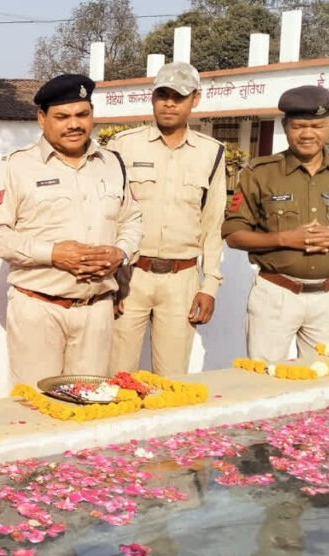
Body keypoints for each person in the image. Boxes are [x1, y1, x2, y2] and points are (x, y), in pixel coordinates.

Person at [0, 74, 143, 388]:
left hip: (96, 311)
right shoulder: (17, 166)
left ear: (93, 114)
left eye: (82, 114)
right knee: (36, 407)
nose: (74, 124)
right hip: (39, 309)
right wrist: (54, 254)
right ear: (42, 119)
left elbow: (132, 220)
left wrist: (120, 253)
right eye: (62, 116)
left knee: (91, 405)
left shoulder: (113, 163)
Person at [223, 85, 329, 362]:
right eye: (299, 126)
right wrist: (284, 239)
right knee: (264, 379)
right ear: (286, 126)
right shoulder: (260, 172)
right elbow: (234, 235)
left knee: (321, 381)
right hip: (276, 294)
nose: (307, 134)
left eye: (317, 125)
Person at [108, 62, 226, 377]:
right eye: (163, 94)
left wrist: (210, 286)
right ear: (152, 97)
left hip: (182, 280)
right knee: (116, 376)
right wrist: (109, 280)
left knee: (172, 380)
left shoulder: (211, 152)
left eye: (179, 95)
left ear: (195, 100)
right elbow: (107, 216)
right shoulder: (123, 146)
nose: (169, 103)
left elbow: (212, 225)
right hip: (130, 277)